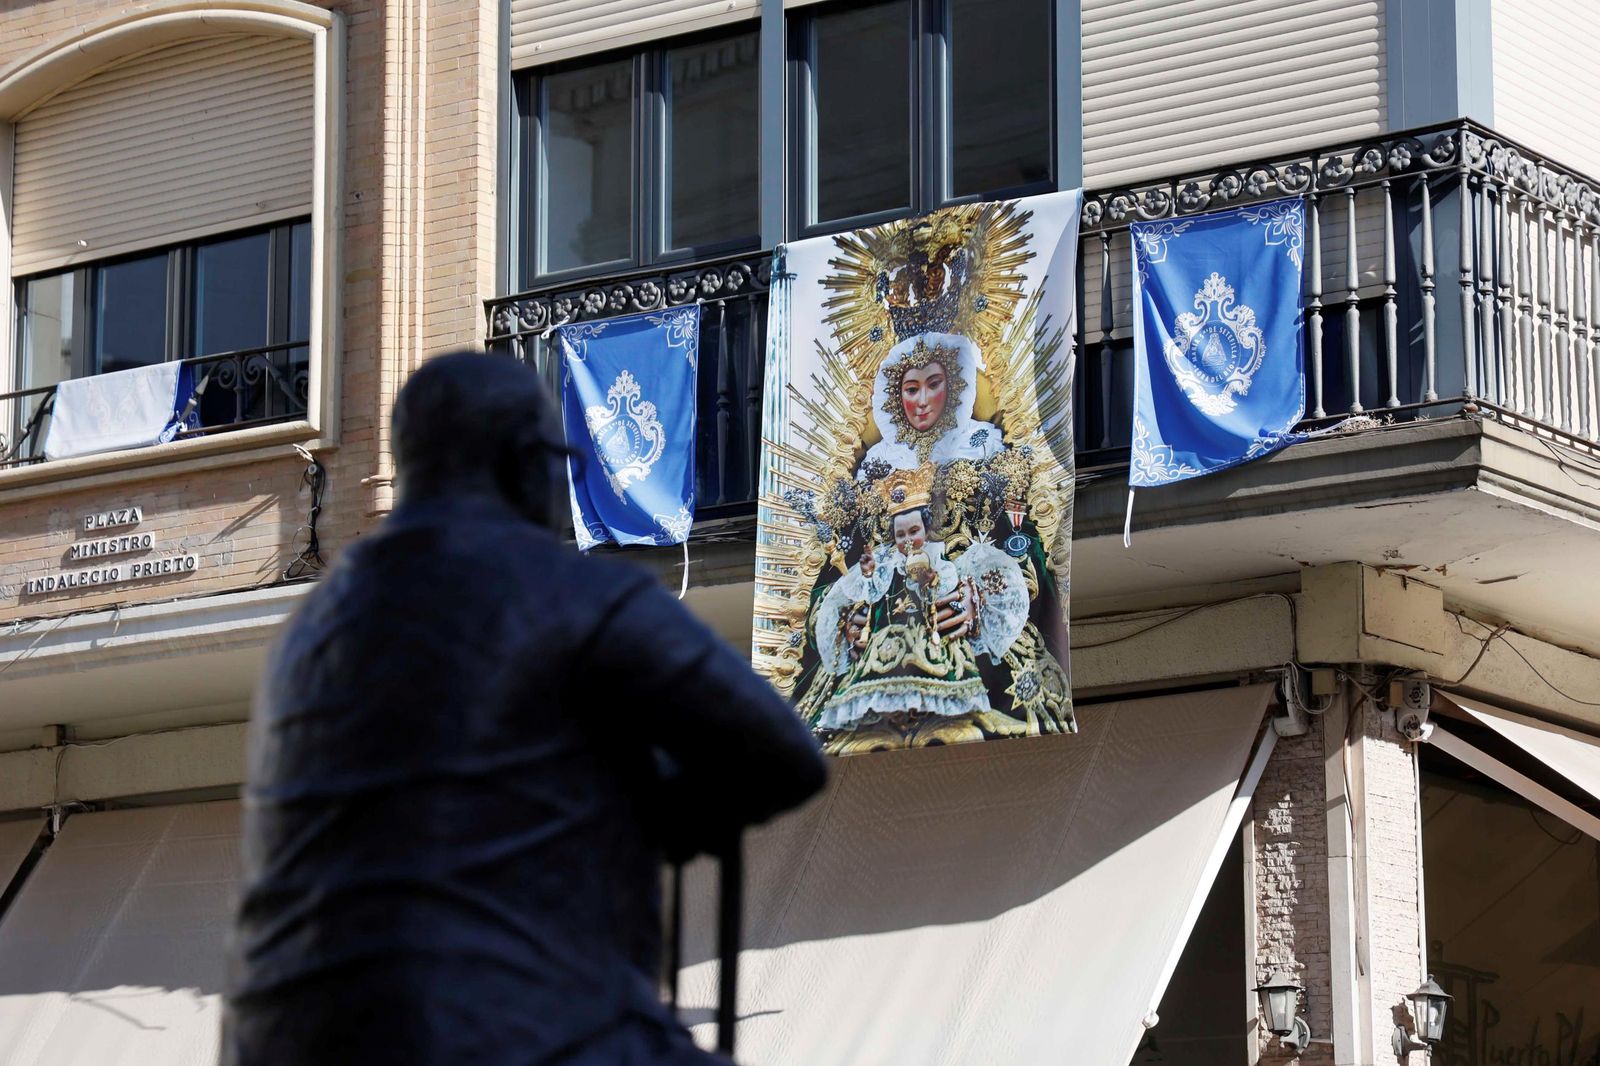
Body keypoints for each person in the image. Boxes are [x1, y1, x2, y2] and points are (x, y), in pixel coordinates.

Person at [223, 352, 828, 1066]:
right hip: (509, 1028)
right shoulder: (578, 595)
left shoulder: (308, 631)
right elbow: (783, 758)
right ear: (521, 461)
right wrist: (652, 812)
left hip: (281, 1038)